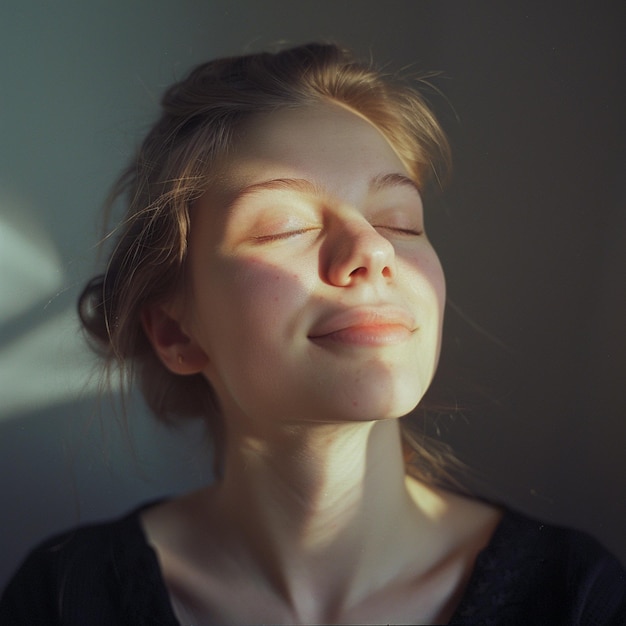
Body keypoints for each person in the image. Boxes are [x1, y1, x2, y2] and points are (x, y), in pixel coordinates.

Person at [1, 42, 625, 626]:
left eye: (401, 222)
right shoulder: (64, 597)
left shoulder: (575, 596)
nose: (374, 250)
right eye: (282, 228)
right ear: (174, 332)